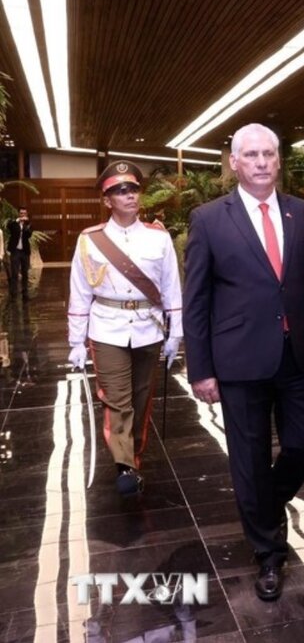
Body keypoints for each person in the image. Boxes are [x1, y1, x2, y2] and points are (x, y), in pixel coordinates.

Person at [183, 123, 304, 601]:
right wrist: (201, 367)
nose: (259, 162)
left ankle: (264, 504)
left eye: (268, 154)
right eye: (250, 155)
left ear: (279, 160)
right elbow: (197, 300)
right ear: (234, 162)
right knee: (249, 458)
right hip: (238, 360)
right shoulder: (209, 218)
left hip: (299, 356)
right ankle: (269, 553)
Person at [67, 160, 182, 496]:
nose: (130, 195)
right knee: (118, 400)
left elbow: (172, 285)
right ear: (107, 201)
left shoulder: (157, 238)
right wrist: (76, 340)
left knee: (141, 398)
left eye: (133, 189)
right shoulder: (91, 240)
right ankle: (125, 466)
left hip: (148, 327)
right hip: (108, 329)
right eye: (120, 191)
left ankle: (134, 454)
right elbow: (80, 289)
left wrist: (176, 332)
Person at [7, 207, 32, 298]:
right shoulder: (14, 223)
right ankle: (13, 293)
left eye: (24, 213)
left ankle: (25, 293)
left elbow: (29, 234)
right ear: (19, 214)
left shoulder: (28, 224)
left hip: (24, 251)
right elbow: (9, 227)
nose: (23, 215)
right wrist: (17, 221)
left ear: (26, 214)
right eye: (21, 213)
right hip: (15, 251)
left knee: (25, 272)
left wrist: (26, 224)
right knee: (14, 272)